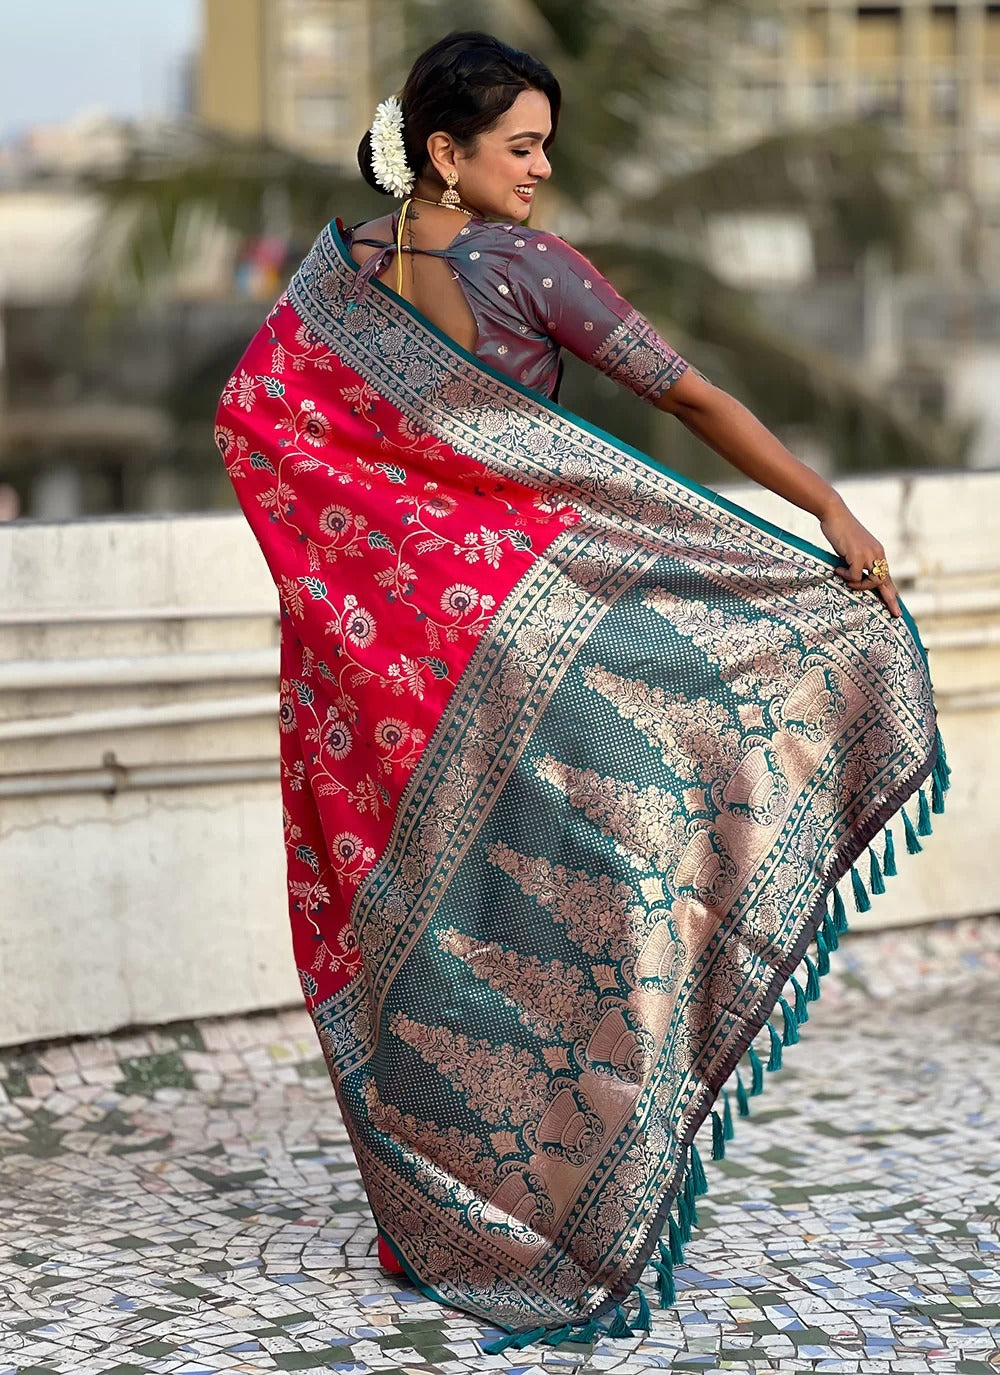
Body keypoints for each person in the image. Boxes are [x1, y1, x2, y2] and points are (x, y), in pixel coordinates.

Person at [216, 29, 949, 1354]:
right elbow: (697, 399)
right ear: (444, 153)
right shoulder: (522, 267)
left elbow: (252, 422)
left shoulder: (333, 291)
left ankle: (442, 1219)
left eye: (545, 147)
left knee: (454, 941)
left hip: (405, 681)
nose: (543, 170)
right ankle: (571, 1203)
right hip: (551, 661)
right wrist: (826, 508)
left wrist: (360, 597)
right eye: (522, 146)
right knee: (590, 924)